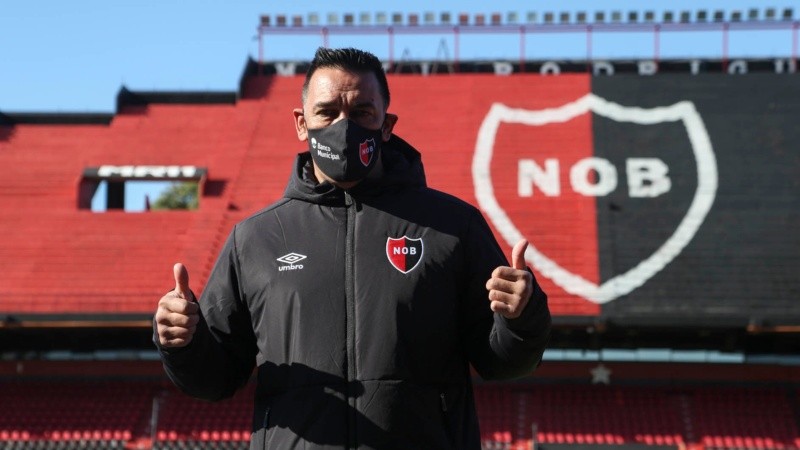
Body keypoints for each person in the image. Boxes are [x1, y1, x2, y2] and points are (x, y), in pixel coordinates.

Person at [154, 47, 551, 449]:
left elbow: (503, 363)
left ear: (386, 125)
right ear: (301, 122)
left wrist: (522, 317)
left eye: (362, 112)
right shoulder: (255, 239)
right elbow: (215, 378)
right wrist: (183, 343)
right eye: (327, 112)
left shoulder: (453, 226)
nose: (343, 127)